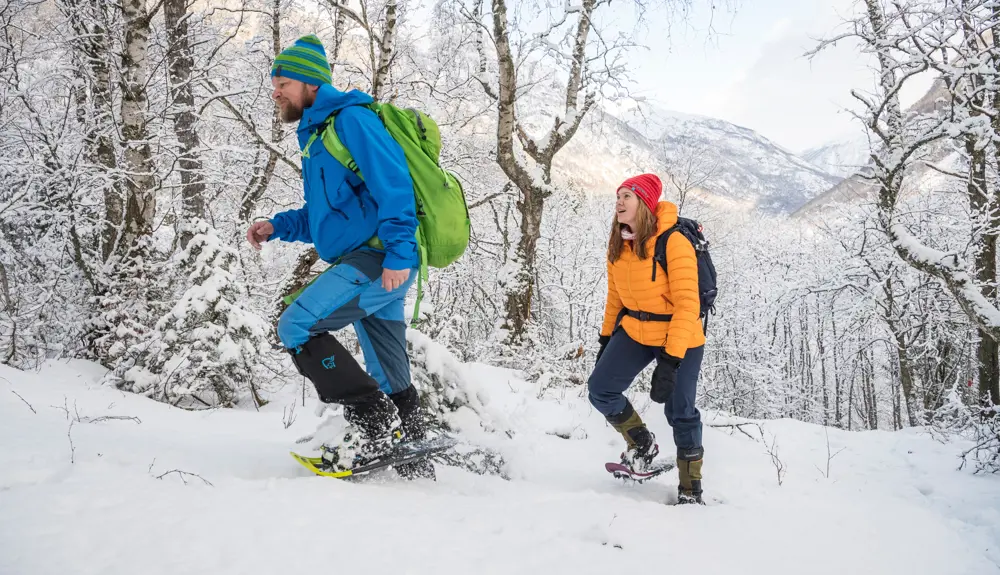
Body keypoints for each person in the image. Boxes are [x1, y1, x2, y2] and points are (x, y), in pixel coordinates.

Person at [245, 34, 432, 479]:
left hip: (380, 261)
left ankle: (374, 426)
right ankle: (417, 457)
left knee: (297, 323)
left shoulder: (351, 121)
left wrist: (400, 254)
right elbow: (326, 216)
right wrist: (279, 226)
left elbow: (394, 186)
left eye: (283, 83)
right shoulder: (316, 136)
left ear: (311, 83)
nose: (276, 93)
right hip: (368, 261)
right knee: (389, 371)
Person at [588, 173, 708, 504]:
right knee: (601, 389)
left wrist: (670, 361)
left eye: (627, 196)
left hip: (678, 333)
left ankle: (690, 488)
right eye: (618, 196)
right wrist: (605, 340)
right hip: (636, 330)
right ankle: (642, 444)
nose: (619, 202)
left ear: (644, 204)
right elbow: (615, 298)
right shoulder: (619, 243)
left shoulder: (673, 242)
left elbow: (688, 305)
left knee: (680, 411)